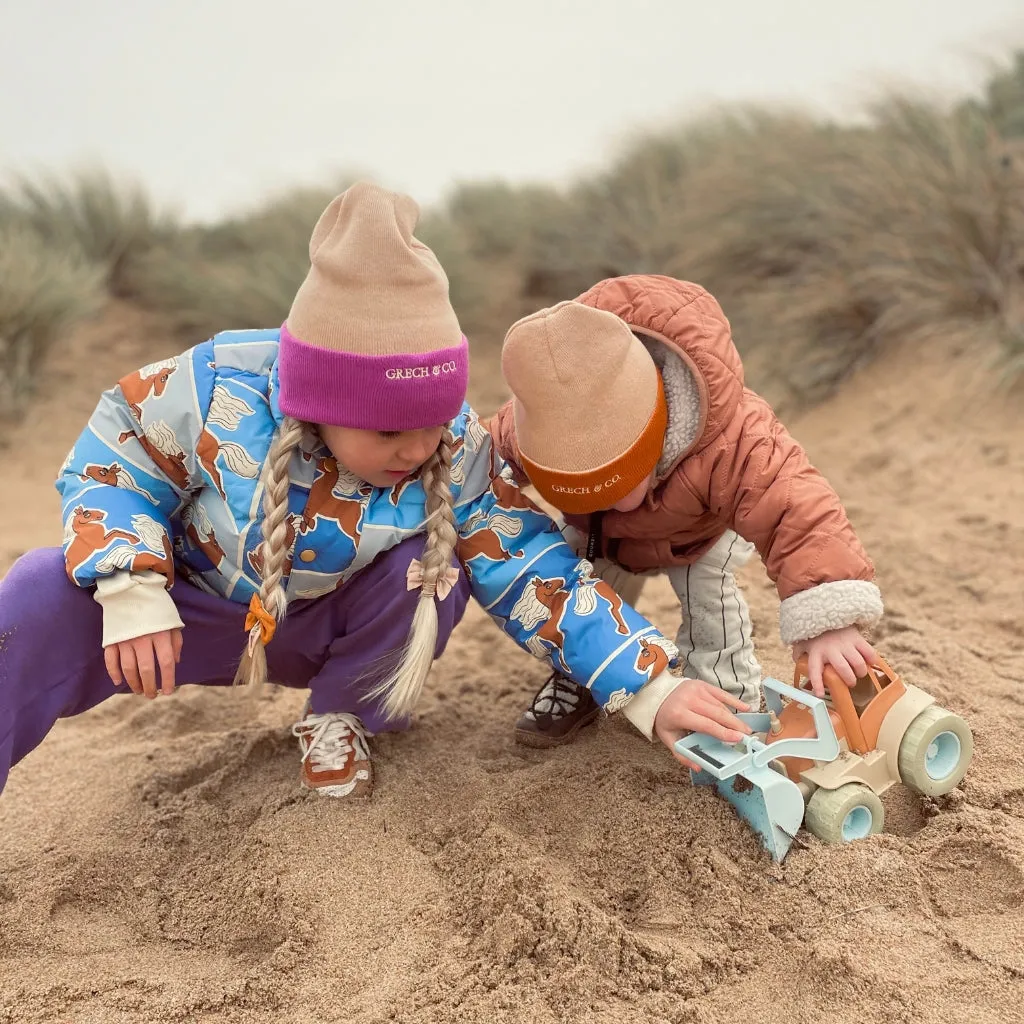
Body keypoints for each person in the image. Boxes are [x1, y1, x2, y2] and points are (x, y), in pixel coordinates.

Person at [0, 190, 752, 804]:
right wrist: (131, 586)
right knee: (36, 590)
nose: (418, 448)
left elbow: (532, 568)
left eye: (434, 422)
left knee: (434, 568)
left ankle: (341, 716)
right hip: (185, 608)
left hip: (320, 630)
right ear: (319, 399)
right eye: (391, 430)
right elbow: (111, 465)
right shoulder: (212, 389)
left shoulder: (451, 449)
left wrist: (649, 689)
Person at [490, 275, 883, 749]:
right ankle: (584, 678)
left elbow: (795, 508)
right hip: (604, 542)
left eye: (612, 486)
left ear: (652, 435)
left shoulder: (734, 435)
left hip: (701, 534)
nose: (598, 499)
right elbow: (480, 455)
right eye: (574, 492)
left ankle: (725, 703)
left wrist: (828, 620)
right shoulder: (540, 418)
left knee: (709, 607)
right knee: (579, 589)